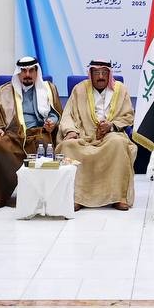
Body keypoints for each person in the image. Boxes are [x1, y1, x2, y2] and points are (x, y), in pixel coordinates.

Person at [0, 56, 61, 208]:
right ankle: (1, 193)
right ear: (18, 73)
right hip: (12, 134)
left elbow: (56, 113)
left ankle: (40, 195)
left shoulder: (48, 89)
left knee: (44, 145)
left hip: (39, 133)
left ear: (37, 72)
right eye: (23, 71)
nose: (27, 74)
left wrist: (52, 122)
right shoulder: (5, 90)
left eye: (31, 71)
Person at [57, 60, 136, 211]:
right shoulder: (79, 89)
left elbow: (128, 116)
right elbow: (68, 114)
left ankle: (118, 197)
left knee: (118, 143)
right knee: (68, 146)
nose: (100, 77)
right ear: (90, 74)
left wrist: (111, 125)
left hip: (110, 134)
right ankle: (77, 197)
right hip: (83, 134)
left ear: (109, 74)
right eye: (96, 73)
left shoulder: (120, 90)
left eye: (104, 73)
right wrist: (71, 131)